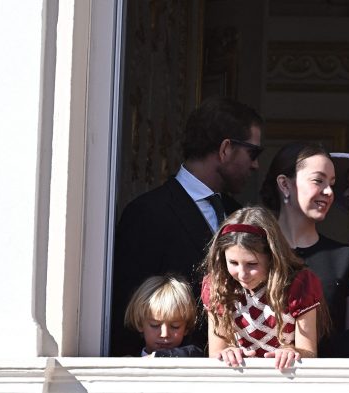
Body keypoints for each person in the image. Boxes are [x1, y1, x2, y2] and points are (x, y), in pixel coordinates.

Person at [111, 96, 264, 356]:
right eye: (253, 152)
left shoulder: (241, 215)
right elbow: (128, 313)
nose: (255, 164)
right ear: (225, 149)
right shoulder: (147, 213)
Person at [201, 206, 330, 370]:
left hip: (286, 378)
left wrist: (292, 350)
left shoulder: (299, 285)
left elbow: (310, 353)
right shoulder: (218, 285)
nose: (242, 274)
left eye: (252, 264)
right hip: (239, 379)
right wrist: (227, 352)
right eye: (233, 263)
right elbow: (215, 352)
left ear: (272, 257)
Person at [259, 142, 349, 338]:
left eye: (331, 184)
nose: (329, 192)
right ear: (284, 184)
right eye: (318, 181)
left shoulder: (346, 257)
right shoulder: (254, 252)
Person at [123, 275, 203, 357]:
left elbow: (194, 352)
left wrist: (157, 356)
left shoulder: (192, 356)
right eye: (155, 325)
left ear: (186, 328)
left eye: (175, 326)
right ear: (140, 324)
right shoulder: (129, 362)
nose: (164, 334)